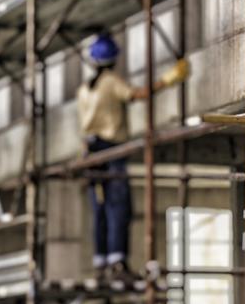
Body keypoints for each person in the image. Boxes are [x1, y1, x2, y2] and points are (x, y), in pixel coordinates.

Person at [77, 33, 188, 288]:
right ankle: (118, 264)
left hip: (90, 152)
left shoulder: (85, 88)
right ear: (113, 60)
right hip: (111, 149)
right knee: (119, 207)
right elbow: (137, 94)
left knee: (100, 210)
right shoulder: (110, 81)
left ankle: (101, 264)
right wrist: (168, 79)